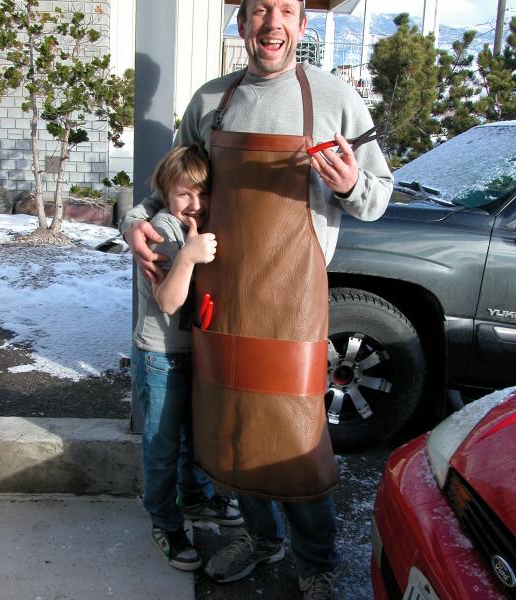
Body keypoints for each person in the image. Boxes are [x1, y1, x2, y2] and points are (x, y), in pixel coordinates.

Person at [121, 1, 393, 597]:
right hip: (220, 298)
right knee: (233, 426)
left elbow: (377, 197)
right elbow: (174, 183)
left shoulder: (334, 99)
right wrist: (134, 222)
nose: (273, 22)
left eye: (287, 10)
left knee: (297, 437)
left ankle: (315, 561)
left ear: (301, 24)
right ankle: (263, 540)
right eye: (261, 10)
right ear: (242, 23)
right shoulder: (210, 101)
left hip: (293, 304)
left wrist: (350, 185)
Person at [131, 144, 243, 573]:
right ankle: (164, 520)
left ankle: (194, 496)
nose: (195, 204)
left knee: (194, 437)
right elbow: (169, 300)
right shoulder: (162, 230)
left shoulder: (197, 225)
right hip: (160, 356)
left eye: (203, 193)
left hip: (194, 353)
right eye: (184, 194)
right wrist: (190, 258)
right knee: (162, 445)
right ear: (165, 193)